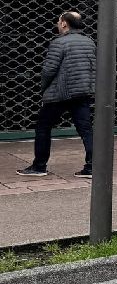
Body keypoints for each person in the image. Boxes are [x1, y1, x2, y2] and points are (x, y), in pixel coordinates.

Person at [18, 11, 96, 178]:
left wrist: (43, 90)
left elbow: (49, 70)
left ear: (64, 24)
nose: (57, 24)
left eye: (58, 21)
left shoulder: (59, 43)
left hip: (59, 93)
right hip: (82, 92)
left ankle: (39, 166)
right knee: (86, 129)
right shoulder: (89, 41)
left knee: (43, 128)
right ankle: (92, 166)